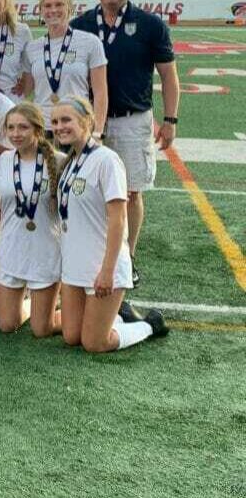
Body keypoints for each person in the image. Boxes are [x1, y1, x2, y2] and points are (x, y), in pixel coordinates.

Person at [70, 0, 180, 284]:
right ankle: (89, 252)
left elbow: (169, 77)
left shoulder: (150, 24)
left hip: (133, 119)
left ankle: (127, 256)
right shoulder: (81, 24)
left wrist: (171, 119)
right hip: (88, 122)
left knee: (131, 192)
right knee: (85, 190)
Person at [51, 97, 168, 352]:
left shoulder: (107, 160)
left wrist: (107, 271)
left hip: (103, 266)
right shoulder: (69, 162)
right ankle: (113, 316)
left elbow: (118, 219)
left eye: (66, 120)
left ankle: (150, 324)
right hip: (75, 265)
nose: (59, 127)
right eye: (55, 122)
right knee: (71, 337)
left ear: (87, 121)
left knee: (94, 343)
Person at [0, 103, 64, 336]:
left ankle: (85, 315)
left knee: (42, 330)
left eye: (23, 127)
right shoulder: (3, 161)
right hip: (12, 249)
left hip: (44, 250)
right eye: (11, 128)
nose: (15, 133)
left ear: (38, 130)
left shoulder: (59, 161)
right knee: (7, 325)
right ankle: (35, 306)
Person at [24, 0, 107, 133]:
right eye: (47, 6)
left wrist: (98, 131)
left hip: (77, 127)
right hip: (42, 128)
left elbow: (100, 92)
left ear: (70, 8)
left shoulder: (90, 42)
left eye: (59, 5)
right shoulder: (32, 47)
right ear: (41, 10)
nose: (53, 10)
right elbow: (25, 89)